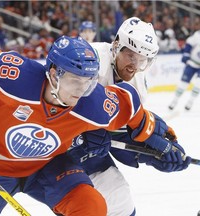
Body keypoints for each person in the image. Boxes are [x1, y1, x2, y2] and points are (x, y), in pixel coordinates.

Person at [0, 35, 190, 216]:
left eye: (89, 82)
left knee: (91, 206)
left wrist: (156, 139)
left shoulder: (90, 101)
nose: (81, 91)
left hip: (48, 164)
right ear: (54, 73)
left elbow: (128, 104)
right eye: (75, 81)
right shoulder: (16, 76)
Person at [67, 17, 191, 216]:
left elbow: (120, 137)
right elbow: (55, 102)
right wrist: (81, 131)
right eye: (131, 56)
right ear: (116, 46)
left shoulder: (138, 87)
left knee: (120, 199)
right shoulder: (90, 58)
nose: (135, 66)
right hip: (55, 145)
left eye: (143, 60)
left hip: (90, 151)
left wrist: (152, 154)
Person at [168, 19, 200, 111]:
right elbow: (189, 44)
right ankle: (175, 101)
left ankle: (190, 101)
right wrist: (186, 54)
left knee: (198, 84)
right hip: (192, 63)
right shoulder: (197, 35)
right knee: (183, 84)